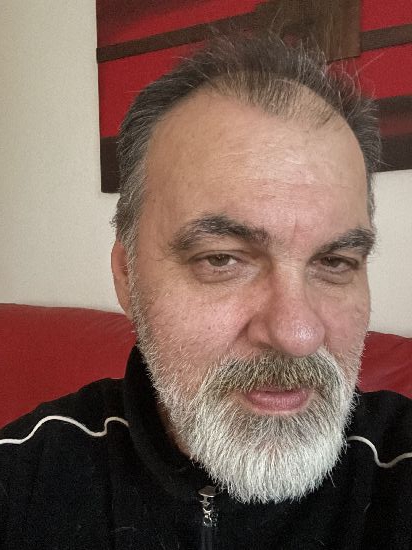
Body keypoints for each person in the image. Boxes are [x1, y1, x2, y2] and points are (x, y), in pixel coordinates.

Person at [1, 33, 411, 550]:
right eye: (222, 259)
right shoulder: (22, 481)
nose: (298, 334)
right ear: (127, 276)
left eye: (334, 262)